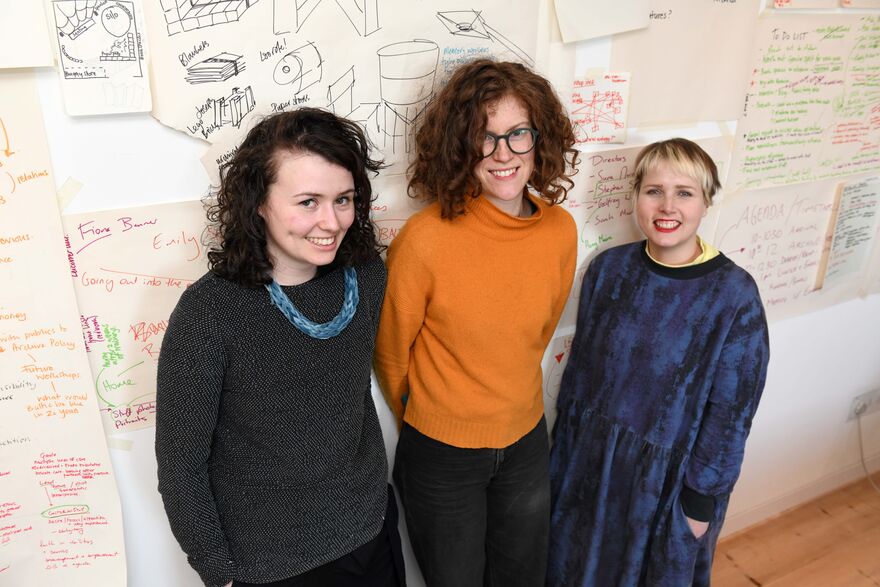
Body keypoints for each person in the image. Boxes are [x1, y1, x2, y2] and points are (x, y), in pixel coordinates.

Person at [155, 108, 404, 587]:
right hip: (266, 564)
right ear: (258, 203)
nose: (331, 221)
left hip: (368, 533)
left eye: (344, 199)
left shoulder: (367, 276)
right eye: (308, 202)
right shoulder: (209, 312)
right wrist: (216, 569)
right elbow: (181, 462)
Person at [373, 59, 579, 586]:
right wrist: (440, 421)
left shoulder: (560, 230)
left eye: (518, 135)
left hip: (526, 439)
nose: (504, 154)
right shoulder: (425, 239)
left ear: (541, 139)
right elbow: (391, 353)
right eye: (485, 139)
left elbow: (537, 332)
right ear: (461, 146)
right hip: (441, 456)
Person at [547, 138, 770, 586]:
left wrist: (698, 505)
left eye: (684, 192)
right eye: (654, 190)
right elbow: (580, 380)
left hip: (663, 493)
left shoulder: (734, 296)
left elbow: (731, 418)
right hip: (586, 471)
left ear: (706, 201)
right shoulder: (608, 269)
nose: (667, 205)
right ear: (636, 196)